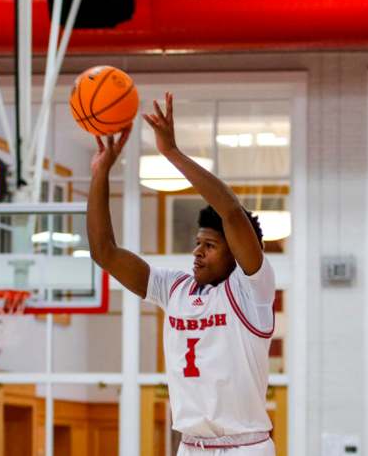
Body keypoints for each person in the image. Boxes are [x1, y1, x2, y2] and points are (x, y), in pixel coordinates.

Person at [88, 93, 276, 455]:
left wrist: (172, 153)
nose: (197, 252)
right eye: (197, 243)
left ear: (235, 252)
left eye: (209, 245)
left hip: (246, 447)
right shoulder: (174, 288)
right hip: (190, 446)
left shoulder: (252, 290)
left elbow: (233, 213)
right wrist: (100, 175)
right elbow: (105, 253)